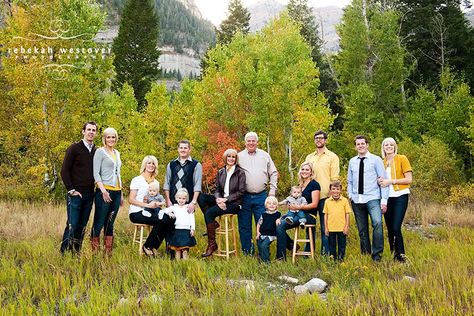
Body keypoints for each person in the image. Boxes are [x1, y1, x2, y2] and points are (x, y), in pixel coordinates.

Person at [347, 135, 388, 261]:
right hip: (357, 200)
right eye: (358, 144)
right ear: (355, 146)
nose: (360, 146)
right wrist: (350, 195)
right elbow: (349, 180)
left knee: (377, 223)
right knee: (362, 229)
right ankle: (365, 254)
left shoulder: (376, 160)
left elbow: (383, 180)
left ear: (367, 145)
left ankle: (377, 255)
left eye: (362, 143)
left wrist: (384, 200)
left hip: (373, 198)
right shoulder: (352, 161)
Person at [60, 122, 97, 254]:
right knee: (72, 224)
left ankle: (76, 252)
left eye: (93, 130)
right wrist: (71, 190)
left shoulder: (95, 151)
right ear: (83, 131)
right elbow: (64, 171)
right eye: (88, 130)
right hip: (76, 193)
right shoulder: (74, 148)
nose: (91, 132)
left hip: (89, 194)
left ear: (96, 133)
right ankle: (64, 253)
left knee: (82, 225)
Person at [238, 132, 278, 255]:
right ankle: (247, 252)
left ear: (257, 142)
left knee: (264, 225)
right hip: (244, 196)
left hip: (261, 196)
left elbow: (274, 173)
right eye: (248, 141)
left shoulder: (265, 155)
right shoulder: (238, 156)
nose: (251, 143)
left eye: (253, 141)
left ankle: (263, 252)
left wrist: (272, 192)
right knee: (244, 226)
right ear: (245, 142)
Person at [200, 149, 246, 257]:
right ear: (225, 158)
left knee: (209, 213)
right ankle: (213, 223)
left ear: (236, 159)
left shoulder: (240, 172)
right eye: (229, 156)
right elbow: (217, 190)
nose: (231, 159)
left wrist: (226, 199)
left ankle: (212, 245)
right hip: (221, 200)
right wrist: (218, 200)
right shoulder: (221, 171)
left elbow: (241, 192)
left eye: (233, 157)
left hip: (234, 203)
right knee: (201, 197)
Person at [129, 155, 175, 256]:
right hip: (137, 212)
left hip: (153, 211)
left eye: (153, 163)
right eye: (149, 163)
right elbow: (131, 200)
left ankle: (156, 247)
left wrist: (162, 207)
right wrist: (147, 205)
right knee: (163, 220)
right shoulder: (137, 179)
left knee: (170, 218)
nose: (151, 165)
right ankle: (148, 246)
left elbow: (158, 198)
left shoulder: (156, 182)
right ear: (144, 165)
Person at [305, 130, 340, 255]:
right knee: (309, 225)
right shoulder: (309, 157)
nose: (318, 140)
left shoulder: (332, 157)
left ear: (325, 140)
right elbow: (305, 176)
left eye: (321, 138)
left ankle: (326, 253)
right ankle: (309, 251)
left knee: (326, 226)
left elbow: (335, 178)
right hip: (310, 198)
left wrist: (332, 193)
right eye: (316, 138)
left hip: (325, 196)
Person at [378, 137, 413, 263]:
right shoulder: (381, 162)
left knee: (396, 226)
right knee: (389, 227)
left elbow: (409, 179)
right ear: (383, 147)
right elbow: (379, 180)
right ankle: (394, 253)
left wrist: (390, 181)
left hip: (400, 196)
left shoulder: (402, 158)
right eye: (386, 145)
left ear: (394, 146)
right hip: (386, 198)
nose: (388, 146)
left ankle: (401, 256)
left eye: (391, 144)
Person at [276, 162, 320, 260]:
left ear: (311, 172)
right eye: (303, 169)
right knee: (277, 222)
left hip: (308, 215)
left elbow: (314, 204)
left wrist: (299, 207)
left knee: (281, 225)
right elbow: (292, 200)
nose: (304, 171)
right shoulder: (299, 186)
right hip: (295, 213)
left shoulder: (314, 185)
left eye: (307, 169)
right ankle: (291, 245)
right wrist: (289, 205)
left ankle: (281, 258)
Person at [91, 127, 123, 255]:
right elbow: (96, 173)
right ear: (104, 138)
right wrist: (103, 191)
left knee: (110, 222)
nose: (111, 139)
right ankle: (95, 252)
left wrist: (121, 192)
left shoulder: (117, 153)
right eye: (108, 137)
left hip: (117, 191)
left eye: (113, 137)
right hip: (104, 191)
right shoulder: (100, 152)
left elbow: (118, 173)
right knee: (99, 222)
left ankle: (107, 253)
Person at [163, 140, 202, 212]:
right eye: (181, 148)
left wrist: (193, 202)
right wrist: (168, 200)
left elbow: (197, 185)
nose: (183, 150)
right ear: (178, 149)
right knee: (171, 222)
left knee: (186, 223)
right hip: (172, 201)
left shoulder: (196, 165)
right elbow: (166, 184)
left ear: (189, 150)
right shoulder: (171, 164)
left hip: (188, 203)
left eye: (185, 148)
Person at [163, 188, 196, 260]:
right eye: (179, 198)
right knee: (177, 249)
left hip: (186, 230)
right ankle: (177, 263)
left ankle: (185, 263)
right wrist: (169, 213)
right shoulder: (174, 207)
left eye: (183, 198)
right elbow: (164, 211)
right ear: (176, 198)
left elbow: (192, 218)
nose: (181, 200)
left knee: (185, 250)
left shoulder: (188, 207)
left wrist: (192, 229)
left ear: (186, 199)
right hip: (177, 230)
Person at [324, 180, 351, 261]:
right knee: (332, 245)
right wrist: (326, 228)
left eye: (337, 189)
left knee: (342, 245)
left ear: (341, 190)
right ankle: (333, 260)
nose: (335, 191)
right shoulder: (327, 201)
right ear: (330, 190)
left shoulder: (345, 200)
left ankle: (340, 260)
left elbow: (347, 214)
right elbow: (326, 215)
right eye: (333, 189)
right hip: (331, 228)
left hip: (342, 228)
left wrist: (346, 226)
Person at [256, 196, 281, 263]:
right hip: (262, 233)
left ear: (276, 206)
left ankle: (266, 262)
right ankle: (262, 257)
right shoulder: (264, 214)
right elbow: (259, 224)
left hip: (271, 234)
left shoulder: (278, 214)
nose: (271, 205)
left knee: (264, 245)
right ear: (266, 205)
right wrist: (258, 232)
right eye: (269, 203)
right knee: (259, 244)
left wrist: (279, 220)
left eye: (274, 204)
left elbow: (280, 222)